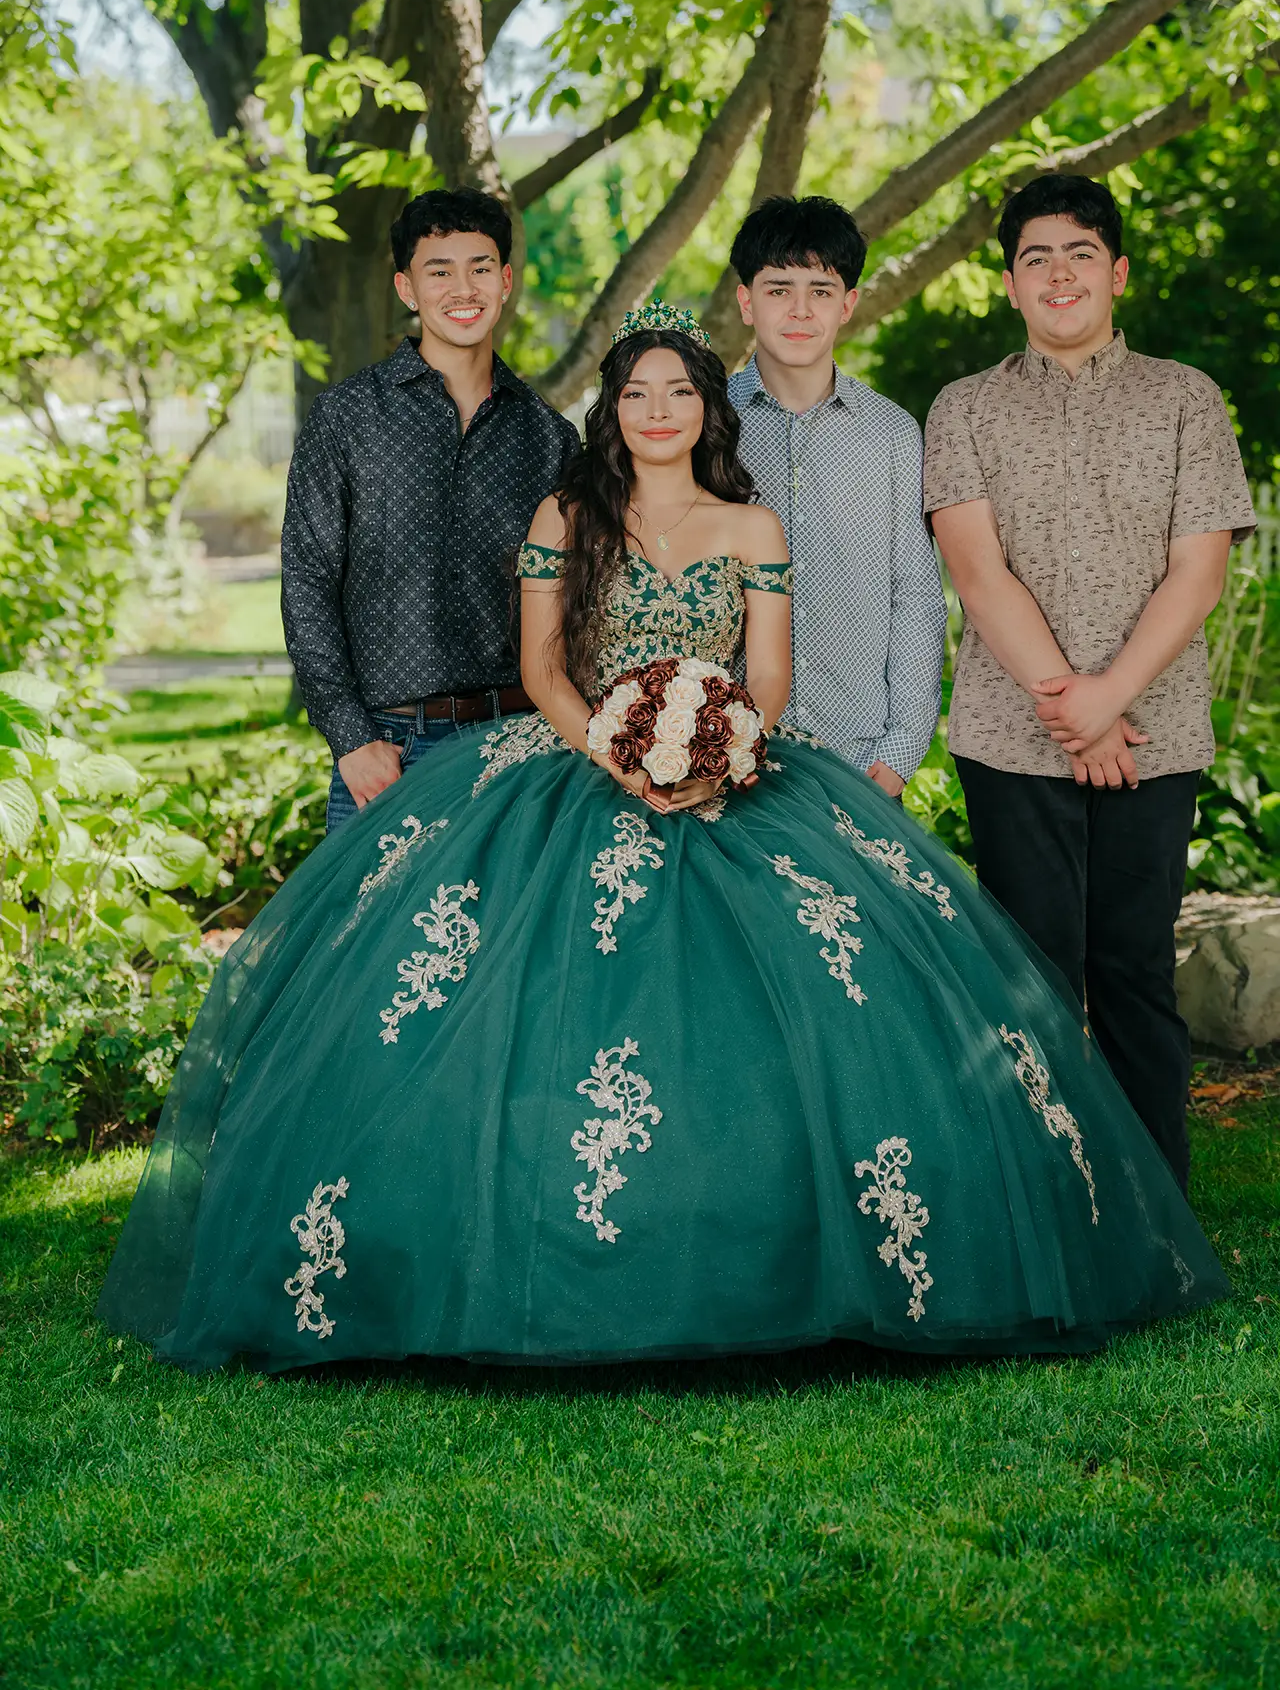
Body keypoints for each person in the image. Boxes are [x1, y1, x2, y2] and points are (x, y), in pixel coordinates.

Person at [98, 302, 1226, 1374]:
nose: (655, 411)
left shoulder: (751, 525)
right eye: (635, 393)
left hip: (737, 774)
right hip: (572, 768)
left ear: (705, 408)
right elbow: (539, 667)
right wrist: (616, 749)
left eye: (677, 391)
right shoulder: (564, 516)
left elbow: (770, 676)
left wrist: (721, 748)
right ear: (612, 410)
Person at [924, 174, 1256, 1193]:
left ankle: (1152, 1205)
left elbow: (1198, 570)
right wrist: (1078, 708)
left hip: (1150, 738)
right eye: (1034, 257)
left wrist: (1112, 696)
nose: (1057, 273)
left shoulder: (1182, 400)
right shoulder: (963, 407)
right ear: (1009, 284)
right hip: (1007, 736)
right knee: (1029, 976)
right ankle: (1041, 1202)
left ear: (1113, 271)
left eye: (1077, 254)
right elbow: (975, 573)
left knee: (1130, 972)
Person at [282, 187, 579, 834]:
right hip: (390, 753)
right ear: (407, 289)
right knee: (376, 938)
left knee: (512, 937)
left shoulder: (550, 439)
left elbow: (577, 603)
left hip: (523, 748)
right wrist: (350, 738)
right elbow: (306, 582)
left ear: (504, 282)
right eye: (438, 272)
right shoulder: (348, 419)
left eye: (479, 268)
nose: (461, 288)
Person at [727, 195, 948, 795]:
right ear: (746, 302)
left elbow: (917, 598)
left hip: (857, 757)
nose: (800, 310)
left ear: (848, 304)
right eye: (778, 289)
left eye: (820, 290)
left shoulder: (893, 434)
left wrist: (901, 751)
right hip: (723, 752)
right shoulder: (705, 425)